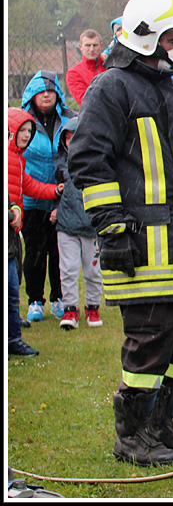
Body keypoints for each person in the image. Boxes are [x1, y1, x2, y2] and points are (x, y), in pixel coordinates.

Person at [68, 0, 173, 467]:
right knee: (150, 339)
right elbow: (88, 160)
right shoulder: (112, 88)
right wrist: (111, 226)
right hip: (142, 245)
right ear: (147, 38)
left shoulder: (168, 89)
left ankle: (161, 424)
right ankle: (132, 435)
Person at [20, 70, 76, 323]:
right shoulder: (21, 120)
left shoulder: (69, 120)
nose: (46, 95)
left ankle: (58, 298)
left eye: (51, 91)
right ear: (31, 94)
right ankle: (34, 300)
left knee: (59, 251)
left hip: (62, 198)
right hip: (31, 199)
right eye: (41, 91)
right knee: (33, 251)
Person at [8, 107, 64, 357]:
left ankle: (12, 328)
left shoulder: (19, 159)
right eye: (23, 130)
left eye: (30, 131)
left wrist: (54, 191)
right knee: (11, 285)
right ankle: (12, 338)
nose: (26, 135)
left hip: (13, 228)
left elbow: (29, 186)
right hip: (12, 224)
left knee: (13, 282)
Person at [53, 117, 104, 330]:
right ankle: (70, 309)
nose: (72, 141)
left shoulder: (98, 162)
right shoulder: (59, 165)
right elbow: (53, 189)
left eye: (76, 136)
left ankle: (93, 307)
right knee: (68, 269)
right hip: (66, 225)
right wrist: (54, 206)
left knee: (93, 271)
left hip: (91, 226)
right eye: (68, 137)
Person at [65, 29, 107, 107]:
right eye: (88, 45)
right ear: (80, 47)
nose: (91, 49)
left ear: (101, 46)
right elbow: (86, 101)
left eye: (95, 45)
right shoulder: (74, 74)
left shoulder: (110, 66)